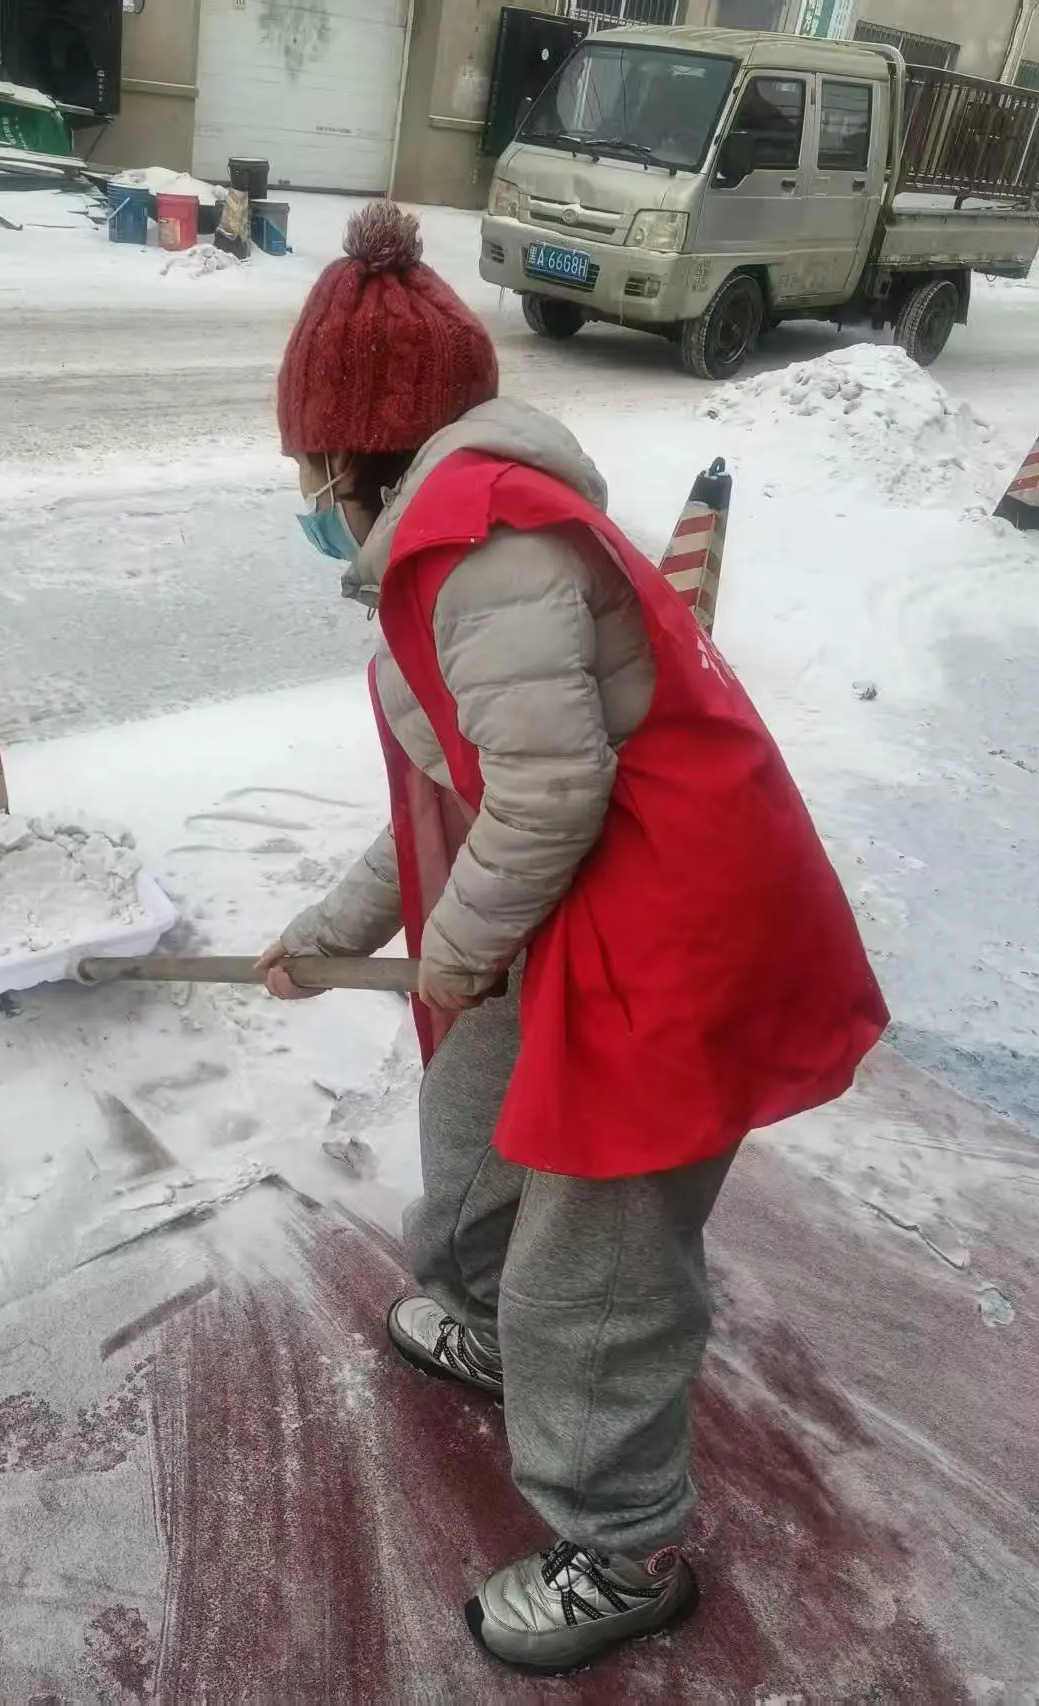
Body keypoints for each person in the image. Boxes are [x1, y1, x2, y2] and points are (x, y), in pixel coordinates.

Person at [259, 201, 888, 1677]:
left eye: (300, 462)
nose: (295, 489)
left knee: (592, 1273)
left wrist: (460, 945)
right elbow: (451, 794)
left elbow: (542, 798)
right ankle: (482, 1317)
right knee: (473, 1104)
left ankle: (625, 1541)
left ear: (353, 455)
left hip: (673, 936)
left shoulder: (479, 554)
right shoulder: (450, 549)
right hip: (590, 899)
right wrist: (338, 927)